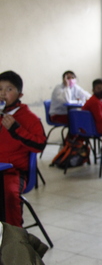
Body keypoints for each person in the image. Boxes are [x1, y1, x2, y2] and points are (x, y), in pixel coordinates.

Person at [0, 71, 47, 227]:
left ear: (20, 94)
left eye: (9, 89)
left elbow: (40, 145)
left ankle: (14, 238)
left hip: (14, 171)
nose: (3, 94)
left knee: (8, 195)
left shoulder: (29, 118)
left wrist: (15, 129)